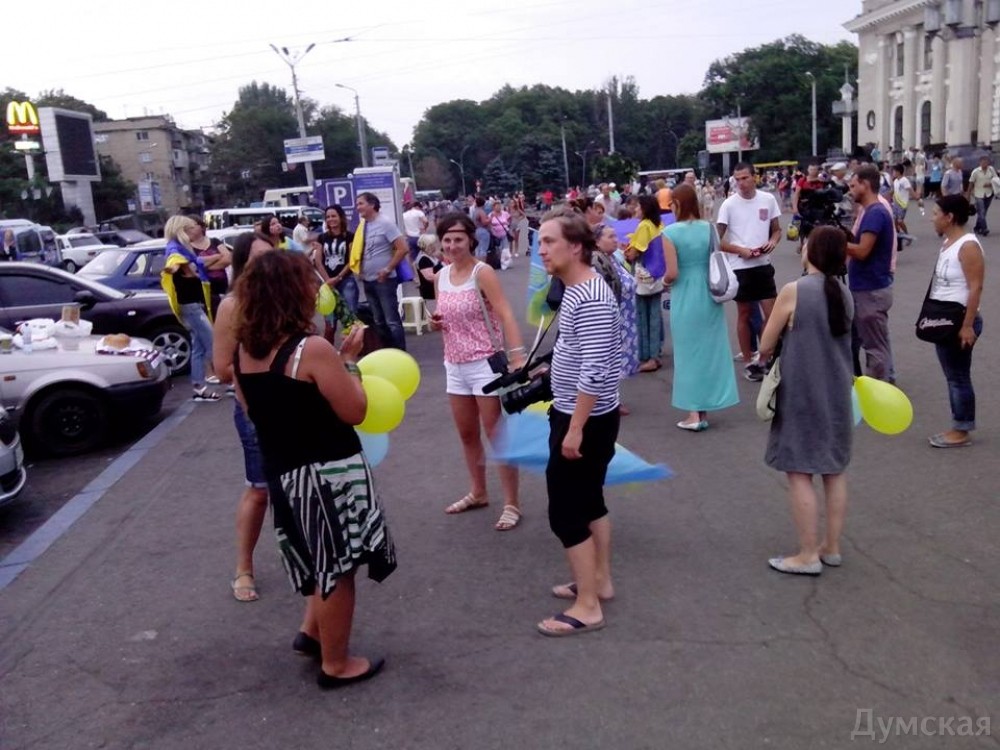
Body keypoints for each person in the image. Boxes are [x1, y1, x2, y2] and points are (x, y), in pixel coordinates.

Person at [232, 250, 395, 688]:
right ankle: (336, 664)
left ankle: (312, 632)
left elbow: (251, 411)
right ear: (293, 291)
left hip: (285, 473)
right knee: (338, 567)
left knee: (316, 558)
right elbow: (355, 410)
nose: (315, 289)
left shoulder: (244, 352)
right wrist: (350, 360)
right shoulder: (312, 349)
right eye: (309, 282)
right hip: (328, 474)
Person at [536, 208, 621, 636]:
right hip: (581, 415)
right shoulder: (576, 288)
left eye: (549, 241)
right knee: (590, 502)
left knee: (566, 513)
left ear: (575, 247)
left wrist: (574, 429)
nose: (541, 249)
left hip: (583, 419)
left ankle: (587, 607)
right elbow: (578, 350)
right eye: (540, 241)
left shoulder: (590, 296)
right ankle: (598, 582)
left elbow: (595, 370)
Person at [758, 226, 854, 576]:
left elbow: (766, 343)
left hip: (802, 391)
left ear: (811, 252)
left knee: (799, 470)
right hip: (838, 392)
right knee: (833, 469)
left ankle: (807, 554)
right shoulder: (844, 292)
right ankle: (832, 546)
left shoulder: (794, 290)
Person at [428, 212, 526, 530]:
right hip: (454, 364)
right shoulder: (440, 276)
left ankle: (511, 502)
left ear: (471, 239)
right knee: (467, 434)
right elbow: (443, 314)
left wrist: (517, 357)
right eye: (447, 240)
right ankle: (478, 492)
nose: (452, 245)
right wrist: (436, 322)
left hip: (485, 363)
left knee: (497, 436)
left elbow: (506, 313)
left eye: (458, 239)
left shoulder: (482, 273)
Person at [212, 231, 276, 602]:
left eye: (271, 255)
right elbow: (222, 369)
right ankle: (243, 567)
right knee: (260, 489)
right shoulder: (233, 306)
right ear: (242, 264)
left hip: (297, 405)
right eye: (258, 258)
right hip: (255, 408)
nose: (268, 264)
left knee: (299, 487)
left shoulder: (287, 299)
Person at [662, 184, 739, 431]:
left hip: (685, 294)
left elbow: (672, 272)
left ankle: (693, 413)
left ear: (677, 203)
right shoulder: (709, 228)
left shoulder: (670, 232)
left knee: (687, 354)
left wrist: (663, 282)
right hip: (709, 292)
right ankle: (703, 407)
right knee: (708, 352)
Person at [926, 195, 985, 448]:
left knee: (958, 377)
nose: (932, 218)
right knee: (953, 375)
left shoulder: (968, 246)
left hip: (960, 321)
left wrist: (967, 325)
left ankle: (961, 429)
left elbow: (975, 287)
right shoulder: (948, 242)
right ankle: (959, 425)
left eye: (936, 213)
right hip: (945, 319)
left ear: (949, 217)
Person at [716, 162, 782, 381]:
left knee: (771, 315)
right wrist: (740, 250)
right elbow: (716, 240)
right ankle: (748, 360)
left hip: (763, 264)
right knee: (744, 314)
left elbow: (776, 230)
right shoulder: (728, 205)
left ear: (755, 177)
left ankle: (764, 357)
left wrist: (772, 242)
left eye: (745, 178)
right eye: (737, 179)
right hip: (740, 267)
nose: (741, 183)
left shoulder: (767, 199)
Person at [160, 215, 221, 402]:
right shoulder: (175, 249)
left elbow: (195, 263)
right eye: (191, 227)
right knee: (212, 342)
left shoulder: (183, 247)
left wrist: (212, 258)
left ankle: (199, 387)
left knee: (198, 347)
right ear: (182, 230)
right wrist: (175, 268)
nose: (196, 230)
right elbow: (175, 263)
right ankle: (231, 381)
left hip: (195, 303)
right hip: (190, 305)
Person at [846, 164, 896, 382]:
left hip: (871, 288)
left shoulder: (875, 212)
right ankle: (879, 383)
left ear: (865, 185)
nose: (850, 191)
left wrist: (834, 242)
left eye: (853, 186)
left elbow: (863, 251)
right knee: (870, 341)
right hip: (868, 286)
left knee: (875, 347)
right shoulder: (871, 211)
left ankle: (880, 388)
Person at [355, 192, 409, 350]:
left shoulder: (385, 223)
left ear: (372, 205)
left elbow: (402, 248)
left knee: (391, 320)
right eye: (357, 204)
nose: (358, 207)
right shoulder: (363, 225)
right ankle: (387, 352)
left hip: (384, 280)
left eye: (361, 203)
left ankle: (400, 353)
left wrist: (387, 269)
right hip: (368, 279)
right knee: (378, 321)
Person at [595, 225, 638, 414]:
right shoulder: (597, 263)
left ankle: (611, 399)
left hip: (624, 319)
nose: (615, 240)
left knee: (616, 360)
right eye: (610, 236)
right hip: (611, 320)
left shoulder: (613, 259)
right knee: (607, 360)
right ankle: (607, 401)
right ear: (597, 241)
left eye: (615, 236)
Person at [625, 195, 670, 372]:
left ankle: (648, 355)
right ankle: (656, 351)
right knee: (655, 314)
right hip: (657, 274)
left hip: (644, 275)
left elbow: (634, 253)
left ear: (645, 209)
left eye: (638, 207)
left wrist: (627, 250)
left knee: (643, 316)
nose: (635, 210)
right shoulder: (658, 224)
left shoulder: (643, 226)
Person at [314, 205, 358, 316]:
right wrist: (327, 280)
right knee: (330, 318)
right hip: (327, 282)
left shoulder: (350, 236)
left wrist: (338, 277)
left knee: (350, 315)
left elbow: (351, 261)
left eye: (333, 216)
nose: (330, 219)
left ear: (340, 217)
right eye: (328, 217)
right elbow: (318, 261)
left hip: (346, 280)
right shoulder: (321, 238)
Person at [186, 214, 231, 318]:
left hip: (222, 289)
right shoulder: (187, 247)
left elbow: (228, 258)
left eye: (192, 225)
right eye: (187, 226)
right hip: (203, 292)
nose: (189, 229)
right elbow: (193, 266)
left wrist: (204, 266)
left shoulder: (215, 241)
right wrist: (217, 257)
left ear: (201, 226)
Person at [966, 156, 998, 236]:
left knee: (983, 212)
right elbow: (971, 183)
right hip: (978, 194)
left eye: (986, 162)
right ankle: (984, 228)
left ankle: (977, 227)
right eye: (983, 162)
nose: (984, 164)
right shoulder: (975, 172)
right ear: (980, 163)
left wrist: (990, 183)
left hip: (989, 193)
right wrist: (968, 195)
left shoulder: (991, 169)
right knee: (982, 211)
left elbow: (996, 179)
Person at [415, 233, 443, 311]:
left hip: (437, 292)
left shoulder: (430, 256)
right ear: (428, 246)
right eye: (433, 244)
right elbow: (430, 277)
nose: (435, 246)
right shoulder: (424, 259)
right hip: (431, 295)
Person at [488, 200, 513, 269]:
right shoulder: (491, 214)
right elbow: (489, 223)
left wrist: (508, 224)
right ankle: (498, 262)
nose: (498, 207)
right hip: (495, 234)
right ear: (493, 207)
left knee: (505, 248)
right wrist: (492, 230)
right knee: (498, 249)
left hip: (504, 233)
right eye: (497, 206)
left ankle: (505, 263)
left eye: (499, 206)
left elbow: (510, 218)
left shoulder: (504, 213)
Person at [891, 163, 913, 240]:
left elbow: (910, 190)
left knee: (900, 221)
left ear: (898, 172)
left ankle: (907, 235)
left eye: (894, 171)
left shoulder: (904, 180)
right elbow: (894, 191)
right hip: (896, 203)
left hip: (902, 204)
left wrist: (917, 198)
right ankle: (897, 235)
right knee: (894, 220)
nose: (893, 173)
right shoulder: (895, 181)